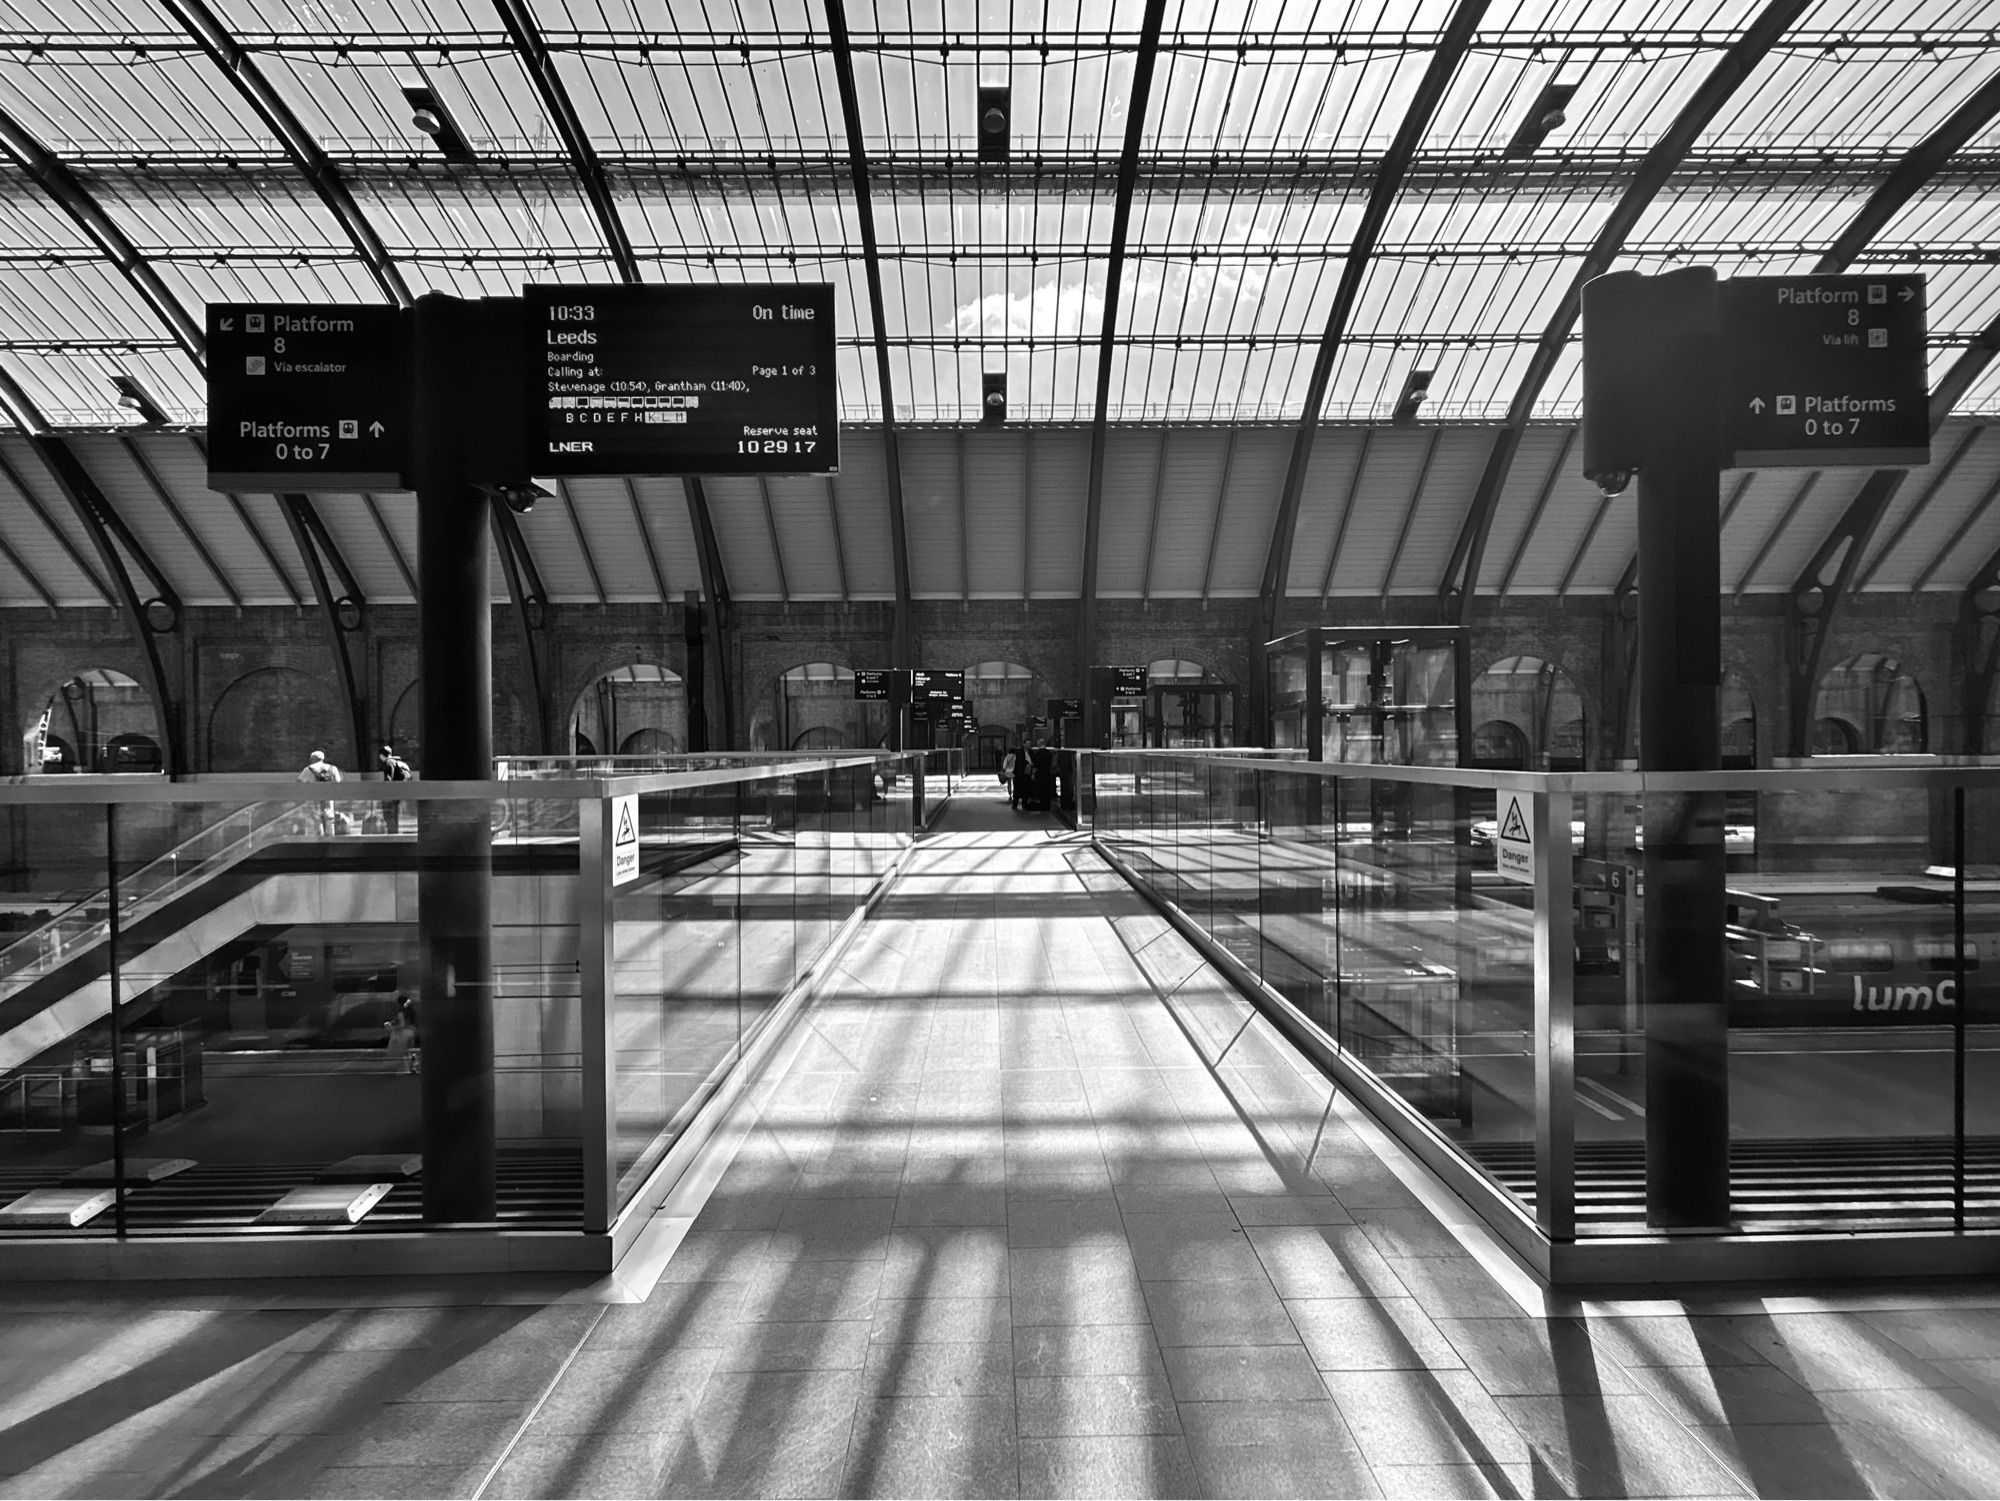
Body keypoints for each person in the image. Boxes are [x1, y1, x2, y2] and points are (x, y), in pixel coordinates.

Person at [297, 749, 342, 834]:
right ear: (323, 758)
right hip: (328, 796)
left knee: (316, 819)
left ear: (313, 759)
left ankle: (319, 839)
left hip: (313, 796)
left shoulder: (308, 769)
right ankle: (330, 837)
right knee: (329, 818)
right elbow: (338, 781)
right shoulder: (332, 768)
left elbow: (299, 781)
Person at [376, 742, 413, 834]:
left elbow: (388, 779)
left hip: (390, 794)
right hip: (399, 793)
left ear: (381, 755)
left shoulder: (388, 762)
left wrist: (383, 793)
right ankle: (395, 831)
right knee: (395, 814)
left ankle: (392, 832)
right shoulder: (399, 762)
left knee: (389, 814)